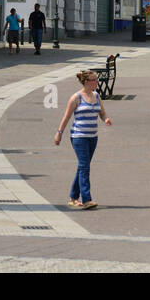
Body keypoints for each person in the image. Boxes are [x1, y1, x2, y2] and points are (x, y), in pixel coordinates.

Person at [54, 69, 112, 209]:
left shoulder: (97, 96)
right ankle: (87, 200)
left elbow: (102, 113)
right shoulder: (76, 97)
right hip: (79, 137)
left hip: (93, 137)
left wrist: (106, 119)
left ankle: (73, 197)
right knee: (85, 167)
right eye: (95, 80)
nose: (97, 82)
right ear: (87, 82)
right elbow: (67, 116)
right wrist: (59, 133)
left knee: (82, 166)